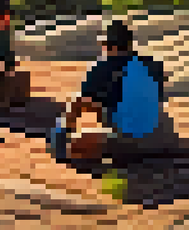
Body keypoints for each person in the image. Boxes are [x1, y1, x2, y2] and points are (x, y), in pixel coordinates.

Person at [55, 19, 175, 164]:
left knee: (78, 120)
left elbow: (83, 101)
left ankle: (58, 144)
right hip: (165, 137)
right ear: (130, 43)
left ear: (106, 45)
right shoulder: (153, 63)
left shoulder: (101, 67)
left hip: (133, 141)